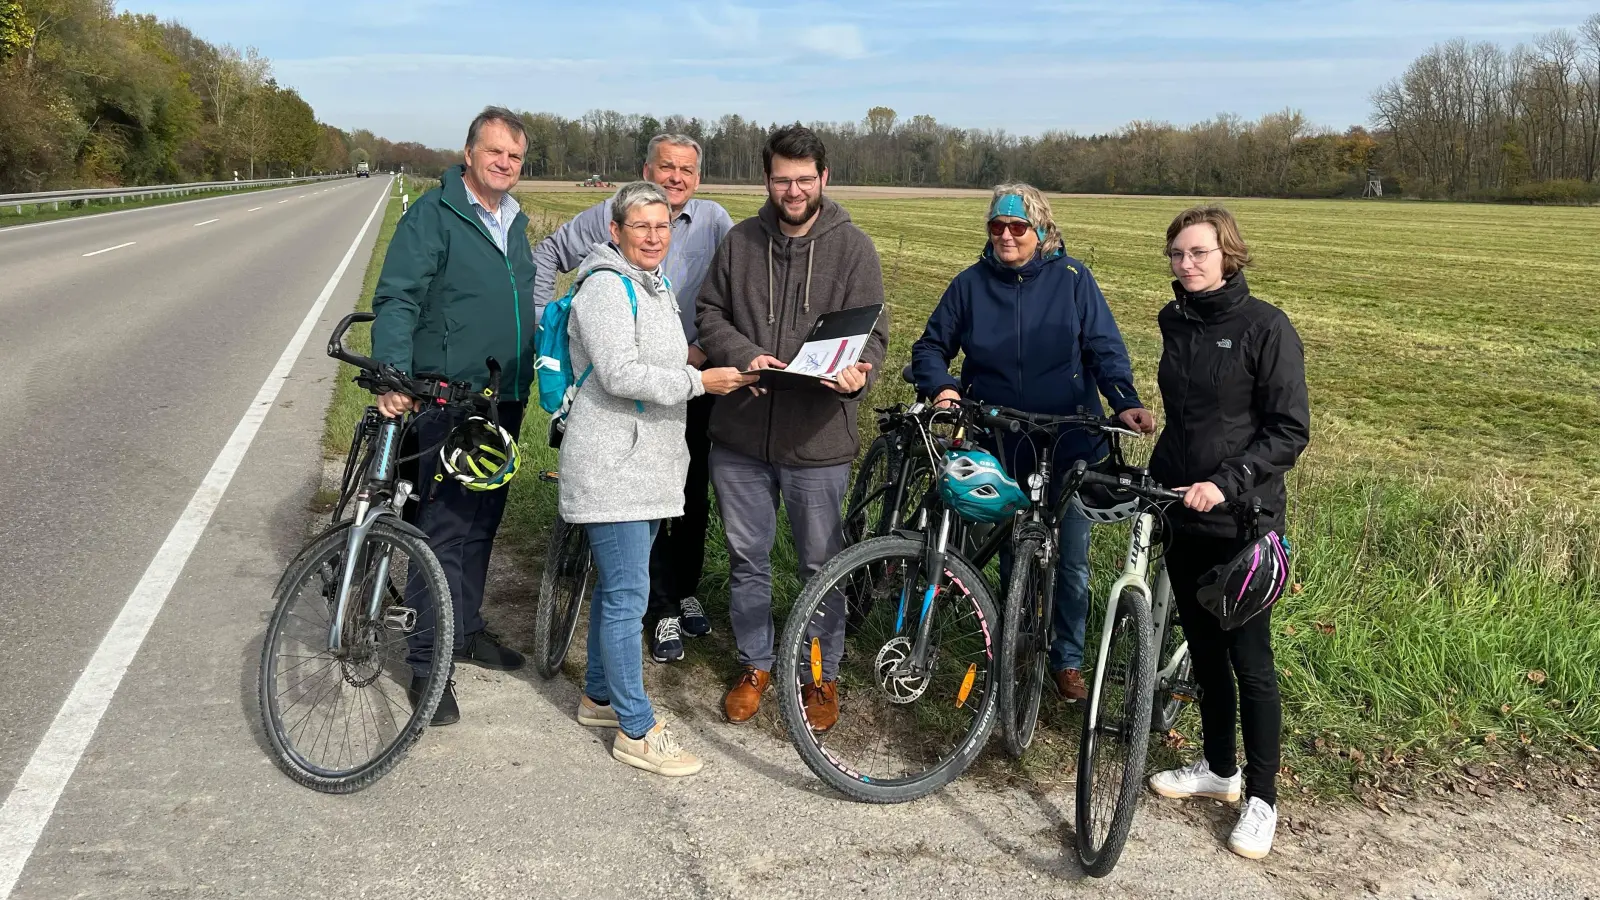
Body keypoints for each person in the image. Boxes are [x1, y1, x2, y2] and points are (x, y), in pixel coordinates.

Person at [909, 183, 1156, 701]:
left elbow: (1103, 348)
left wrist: (1124, 401)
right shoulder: (970, 285)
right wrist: (945, 388)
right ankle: (1011, 643)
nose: (1005, 235)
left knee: (1071, 558)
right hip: (1000, 437)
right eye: (996, 226)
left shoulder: (1073, 280)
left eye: (1017, 227)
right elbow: (931, 345)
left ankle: (1067, 659)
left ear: (1040, 231)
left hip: (1068, 437)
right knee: (1007, 549)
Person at [696, 124, 889, 730]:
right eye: (783, 179)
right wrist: (743, 351)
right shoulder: (738, 242)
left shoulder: (854, 248)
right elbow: (708, 312)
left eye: (805, 179)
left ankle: (819, 673)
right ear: (768, 180)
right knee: (747, 558)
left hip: (818, 440)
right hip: (742, 434)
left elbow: (874, 335)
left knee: (820, 564)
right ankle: (755, 663)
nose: (794, 189)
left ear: (824, 179)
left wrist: (862, 372)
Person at [559, 181, 755, 775]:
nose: (653, 237)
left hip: (644, 463)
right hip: (614, 464)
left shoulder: (653, 284)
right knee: (627, 599)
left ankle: (598, 697)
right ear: (614, 232)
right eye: (640, 226)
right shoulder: (604, 288)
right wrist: (702, 384)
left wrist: (731, 362)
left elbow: (667, 359)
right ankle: (637, 730)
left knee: (620, 589)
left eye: (662, 227)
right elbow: (620, 373)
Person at [1144, 205, 1310, 860]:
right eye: (1177, 254)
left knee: (1250, 663)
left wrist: (1231, 480)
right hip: (1181, 515)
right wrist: (1153, 481)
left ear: (1228, 255)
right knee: (1206, 655)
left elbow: (1289, 429)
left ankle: (1262, 799)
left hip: (1242, 523)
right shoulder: (1174, 320)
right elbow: (1184, 421)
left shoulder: (1265, 327)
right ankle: (1219, 770)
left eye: (1198, 253)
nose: (1186, 265)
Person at [532, 135, 734, 666]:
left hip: (690, 373)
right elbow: (550, 253)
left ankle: (679, 590)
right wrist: (537, 326)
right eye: (665, 167)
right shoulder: (614, 229)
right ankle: (657, 606)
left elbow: (739, 286)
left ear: (697, 176)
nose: (675, 177)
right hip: (642, 391)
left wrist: (710, 351)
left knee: (686, 494)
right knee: (636, 512)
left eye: (686, 169)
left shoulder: (715, 221)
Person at [371, 106, 537, 725]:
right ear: (468, 154)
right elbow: (397, 298)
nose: (504, 164)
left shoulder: (513, 222)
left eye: (515, 157)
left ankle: (463, 630)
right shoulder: (434, 216)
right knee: (441, 530)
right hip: (446, 400)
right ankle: (425, 662)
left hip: (501, 399)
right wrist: (394, 374)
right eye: (494, 152)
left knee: (482, 521)